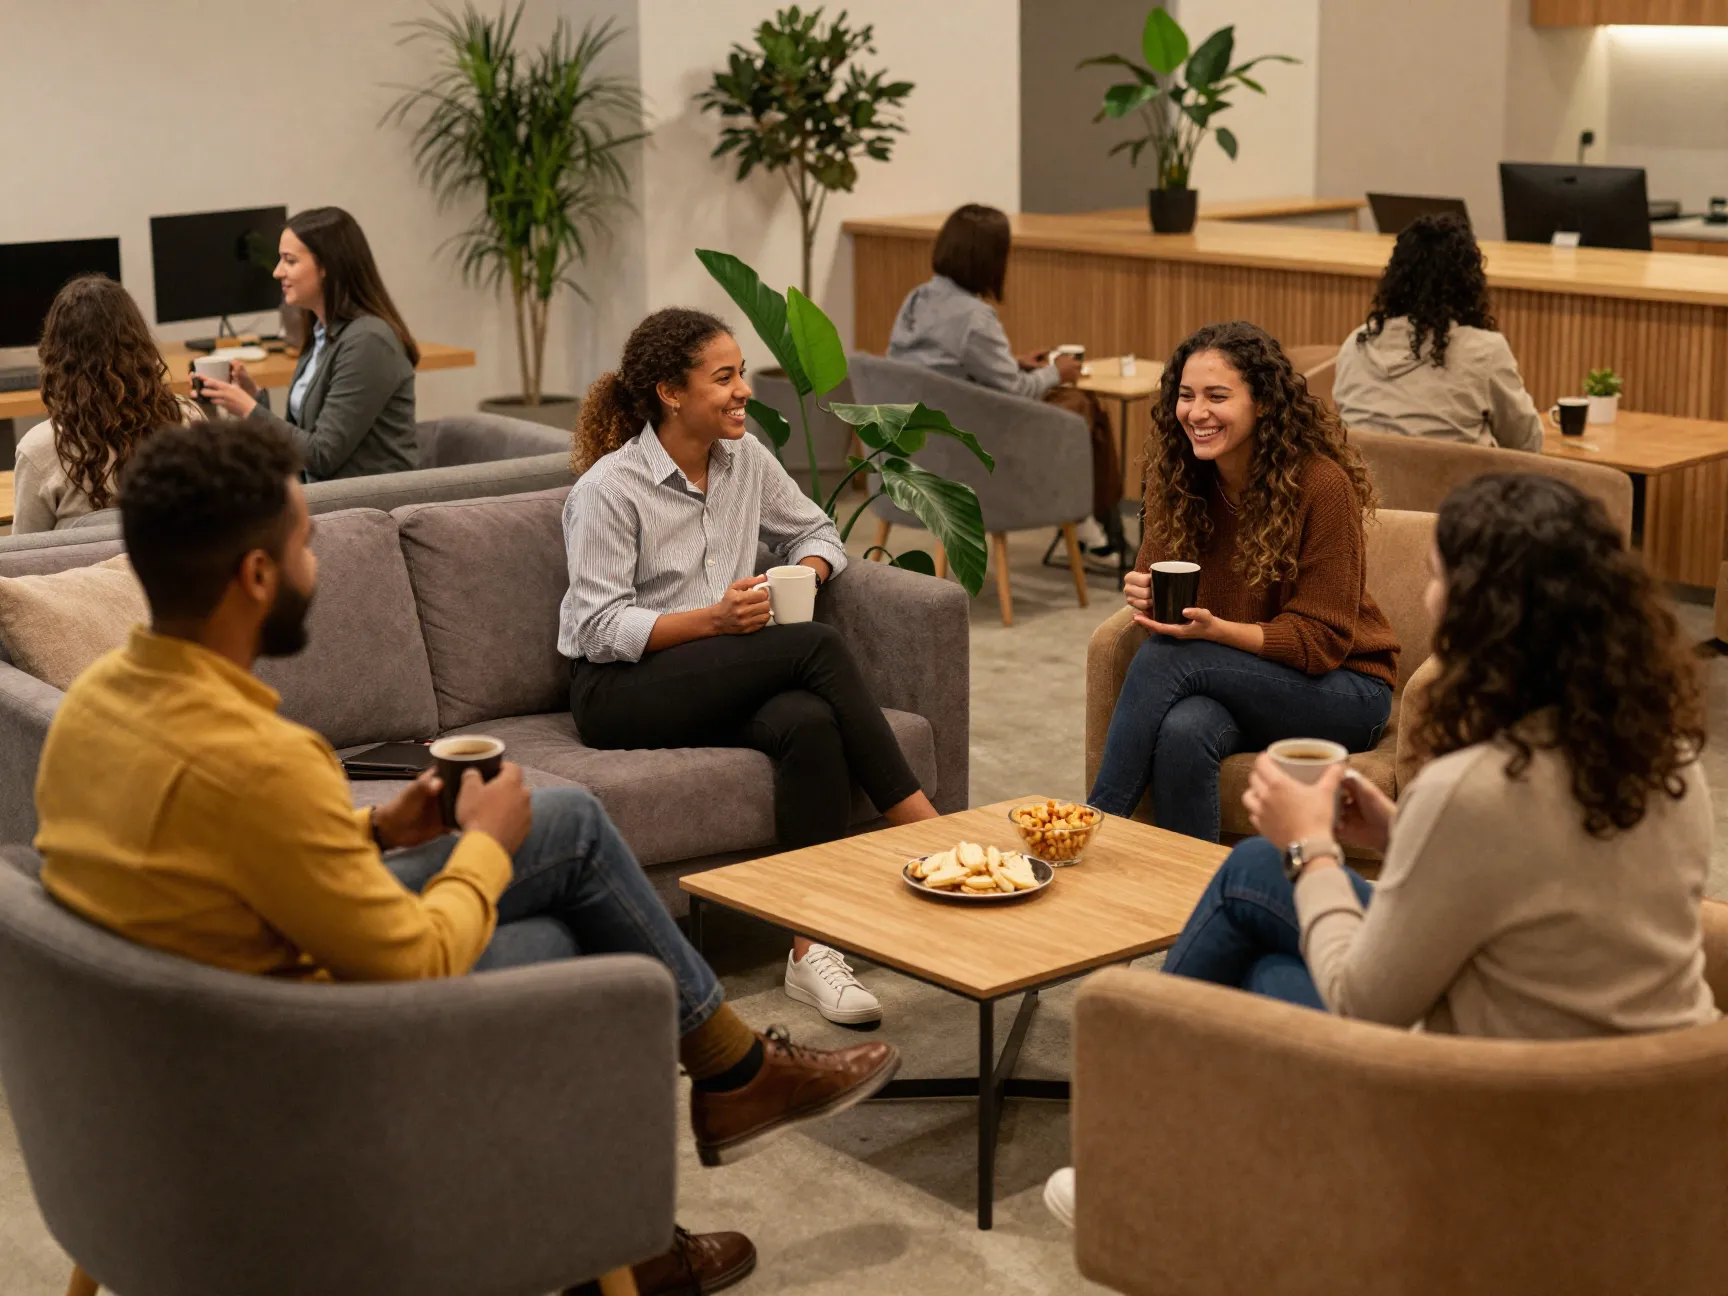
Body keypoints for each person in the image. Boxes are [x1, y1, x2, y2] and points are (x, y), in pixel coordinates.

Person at [33, 419, 900, 1296]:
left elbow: (215, 859)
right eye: (306, 545)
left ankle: (728, 1079)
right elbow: (415, 958)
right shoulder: (258, 759)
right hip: (288, 1060)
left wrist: (376, 832)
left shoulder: (94, 703)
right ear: (256, 577)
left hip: (161, 1052)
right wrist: (480, 848)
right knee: (573, 965)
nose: (318, 567)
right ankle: (633, 1225)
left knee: (565, 817)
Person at [1046, 472, 1717, 1225]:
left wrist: (1312, 848)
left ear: (1484, 610)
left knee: (1266, 973)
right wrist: (1399, 832)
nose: (1428, 603)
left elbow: (1364, 1002)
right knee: (1251, 868)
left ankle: (1134, 1163)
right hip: (1661, 1099)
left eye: (1436, 582)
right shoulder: (1667, 755)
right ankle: (1163, 1155)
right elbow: (1548, 873)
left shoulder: (1474, 785)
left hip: (1511, 1098)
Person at [564, 307, 941, 1026]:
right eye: (725, 377)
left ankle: (811, 948)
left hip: (714, 670)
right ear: (672, 394)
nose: (744, 392)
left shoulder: (746, 459)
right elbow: (596, 626)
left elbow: (818, 530)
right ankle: (926, 830)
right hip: (618, 689)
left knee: (809, 721)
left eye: (742, 374)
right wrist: (713, 620)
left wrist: (801, 572)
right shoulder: (608, 491)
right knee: (817, 647)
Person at [1089, 320, 1399, 842]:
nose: (1196, 412)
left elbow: (1321, 641)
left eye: (1218, 396)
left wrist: (1216, 633)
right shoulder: (1180, 478)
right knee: (1186, 729)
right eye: (1186, 396)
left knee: (1172, 658)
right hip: (1231, 678)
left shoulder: (1321, 486)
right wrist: (1143, 596)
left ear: (1263, 403)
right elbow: (1166, 606)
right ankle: (1186, 900)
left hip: (1344, 688)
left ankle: (1089, 830)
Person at [886, 203, 1126, 557]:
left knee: (1074, 407)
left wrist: (1013, 363)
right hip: (970, 446)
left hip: (918, 439)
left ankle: (1088, 519)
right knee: (1080, 406)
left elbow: (941, 368)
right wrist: (1055, 371)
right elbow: (1016, 391)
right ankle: (1089, 518)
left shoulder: (917, 298)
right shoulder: (975, 317)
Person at [197, 206, 419, 481]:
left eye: (290, 261)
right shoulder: (320, 333)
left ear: (327, 266)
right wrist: (255, 397)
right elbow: (304, 440)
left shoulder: (369, 340)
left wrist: (248, 409)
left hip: (367, 505)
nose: (277, 272)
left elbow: (321, 456)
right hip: (328, 496)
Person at [1333, 213, 1544, 451]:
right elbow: (1526, 443)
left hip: (1365, 485)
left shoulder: (1356, 344)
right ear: (1469, 283)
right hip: (1455, 486)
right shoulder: (1485, 350)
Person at [14, 275, 201, 534]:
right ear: (139, 344)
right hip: (171, 574)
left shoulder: (39, 450)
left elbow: (24, 561)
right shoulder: (188, 420)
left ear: (56, 356)